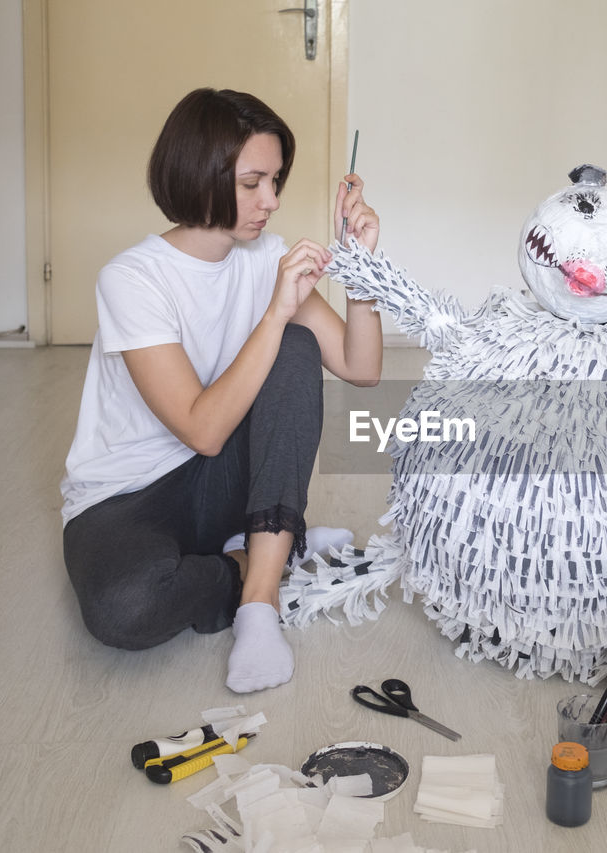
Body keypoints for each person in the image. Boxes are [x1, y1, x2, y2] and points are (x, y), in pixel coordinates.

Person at [59, 88, 381, 693]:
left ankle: (260, 602)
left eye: (276, 181)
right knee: (123, 609)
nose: (272, 202)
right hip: (127, 495)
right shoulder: (131, 279)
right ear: (199, 174)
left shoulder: (265, 259)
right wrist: (275, 311)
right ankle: (265, 553)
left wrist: (362, 274)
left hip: (220, 482)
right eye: (252, 182)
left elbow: (360, 368)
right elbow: (201, 429)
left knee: (297, 348)